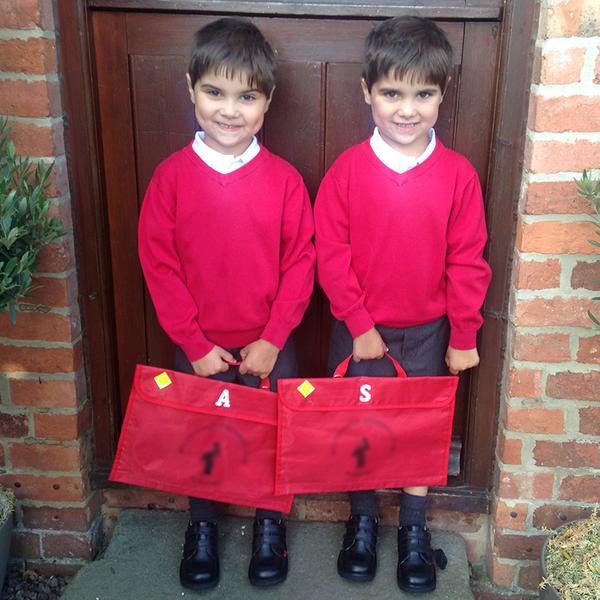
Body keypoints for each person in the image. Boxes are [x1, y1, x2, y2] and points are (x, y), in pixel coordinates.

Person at [314, 15, 492, 594]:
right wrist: (359, 324)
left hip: (429, 330)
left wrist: (463, 334)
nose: (407, 109)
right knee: (361, 427)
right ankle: (361, 520)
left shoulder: (458, 176)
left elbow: (468, 260)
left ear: (442, 95)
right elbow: (331, 254)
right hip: (360, 331)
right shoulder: (345, 172)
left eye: (423, 94)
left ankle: (414, 531)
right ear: (367, 92)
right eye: (392, 92)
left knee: (418, 431)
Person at [138, 18, 315, 590]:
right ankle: (203, 528)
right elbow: (159, 266)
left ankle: (270, 527)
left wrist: (273, 337)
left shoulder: (285, 181)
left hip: (268, 345)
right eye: (215, 92)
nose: (230, 110)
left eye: (247, 96)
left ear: (267, 103)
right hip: (200, 346)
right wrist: (192, 343)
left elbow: (300, 264)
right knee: (204, 440)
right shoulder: (170, 178)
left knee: (271, 437)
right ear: (191, 87)